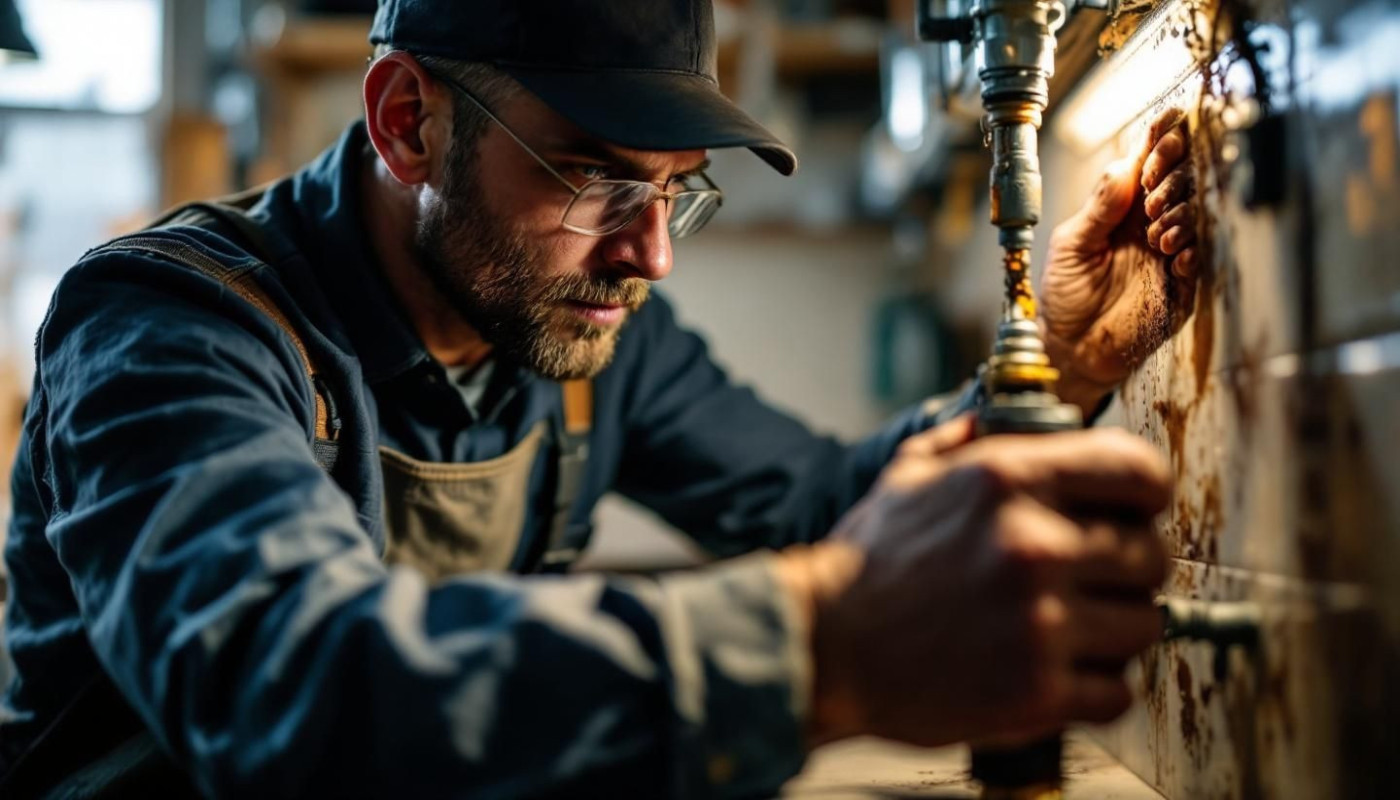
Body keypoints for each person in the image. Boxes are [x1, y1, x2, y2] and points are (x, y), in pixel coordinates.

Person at [0, 0, 1199, 797]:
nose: (649, 255)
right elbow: (284, 682)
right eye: (593, 180)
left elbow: (832, 505)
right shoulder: (171, 327)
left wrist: (1061, 361)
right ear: (406, 122)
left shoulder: (588, 337)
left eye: (675, 191)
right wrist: (811, 643)